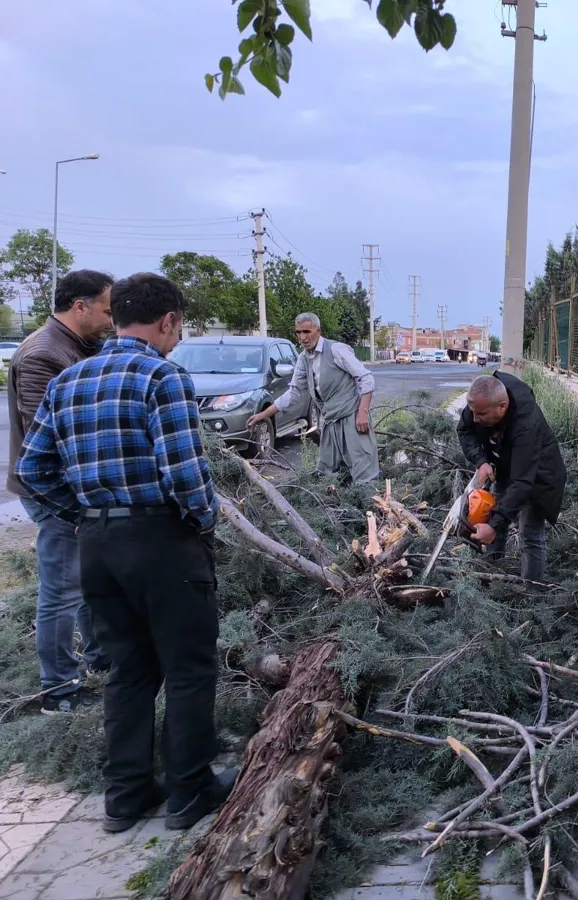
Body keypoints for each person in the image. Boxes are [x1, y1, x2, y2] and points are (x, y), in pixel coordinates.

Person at [16, 272, 235, 834]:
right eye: (179, 327)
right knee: (188, 667)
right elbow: (184, 473)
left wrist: (84, 515)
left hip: (98, 545)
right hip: (162, 540)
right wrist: (203, 524)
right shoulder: (164, 377)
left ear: (117, 317)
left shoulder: (69, 382)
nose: (177, 337)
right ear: (167, 321)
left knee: (128, 672)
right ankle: (189, 792)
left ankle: (127, 795)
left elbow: (32, 469)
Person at [6, 270, 114, 714]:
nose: (112, 320)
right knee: (63, 589)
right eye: (107, 310)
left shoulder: (75, 345)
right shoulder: (43, 354)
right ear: (80, 307)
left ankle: (100, 660)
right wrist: (78, 498)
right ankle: (60, 690)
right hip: (54, 493)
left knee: (88, 581)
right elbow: (42, 441)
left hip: (75, 491)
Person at [456, 372, 566, 581]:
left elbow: (523, 483)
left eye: (481, 415)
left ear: (503, 406)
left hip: (539, 476)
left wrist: (493, 526)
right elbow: (464, 430)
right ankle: (491, 575)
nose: (475, 419)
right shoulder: (480, 405)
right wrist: (482, 461)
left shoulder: (526, 423)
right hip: (505, 466)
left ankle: (531, 589)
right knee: (492, 514)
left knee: (529, 533)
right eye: (473, 412)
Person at [247, 312, 380, 483]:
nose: (303, 337)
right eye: (298, 332)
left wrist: (362, 413)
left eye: (307, 332)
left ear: (318, 331)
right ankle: (338, 508)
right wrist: (263, 415)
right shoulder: (303, 358)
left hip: (352, 418)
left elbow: (366, 378)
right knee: (329, 474)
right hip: (330, 422)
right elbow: (294, 393)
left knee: (364, 472)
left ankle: (370, 506)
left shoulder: (336, 350)